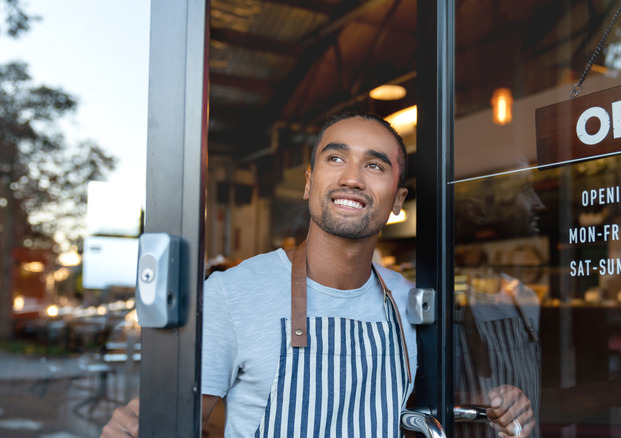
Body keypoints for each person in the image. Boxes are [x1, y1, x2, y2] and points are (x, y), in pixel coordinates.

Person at [101, 111, 532, 437]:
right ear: (309, 183)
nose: (352, 178)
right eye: (335, 158)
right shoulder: (233, 293)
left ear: (398, 199)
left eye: (375, 166)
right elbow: (183, 418)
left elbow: (414, 410)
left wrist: (499, 409)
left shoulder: (408, 300)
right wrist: (138, 425)